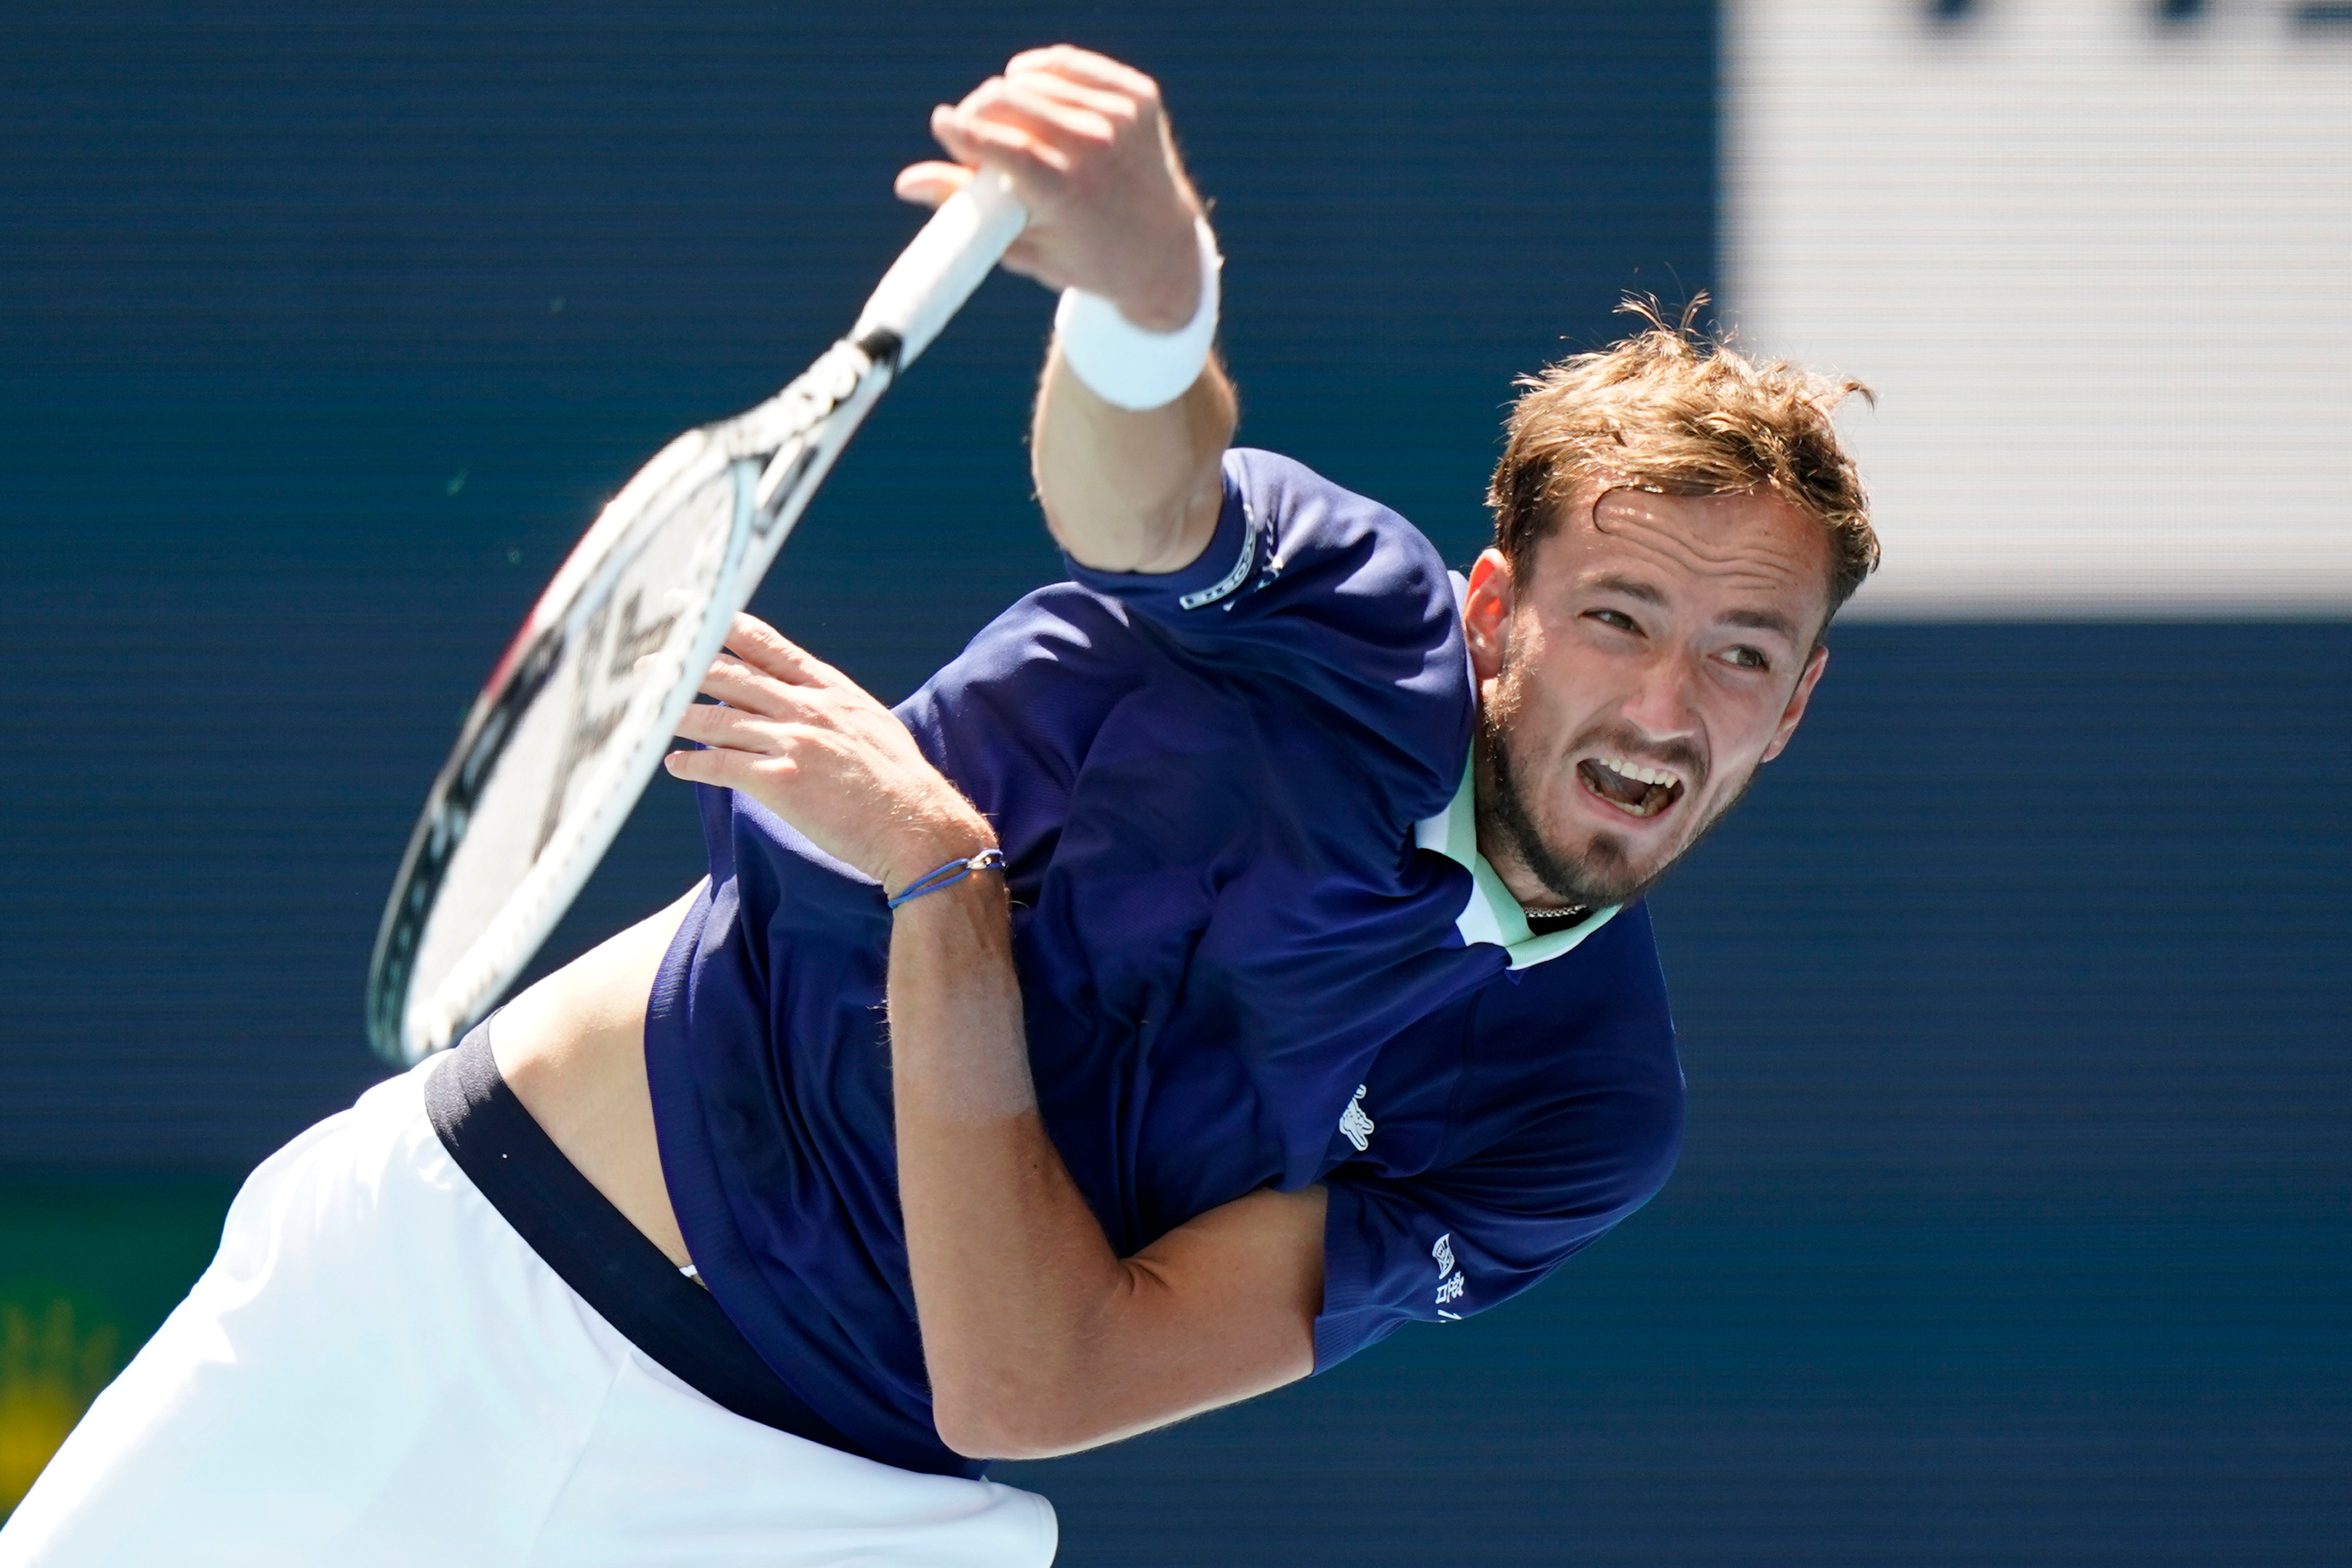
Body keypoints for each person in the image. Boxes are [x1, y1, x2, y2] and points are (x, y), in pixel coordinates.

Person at [0, 44, 1875, 1568]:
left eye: (1736, 655)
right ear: (1495, 610)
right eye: (1620, 616)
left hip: (831, 1518)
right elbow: (1133, 497)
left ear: (1795, 707)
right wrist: (1151, 304)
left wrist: (939, 881)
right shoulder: (1344, 609)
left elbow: (1029, 1379)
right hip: (446, 1284)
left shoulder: (1582, 1108)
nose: (1661, 698)